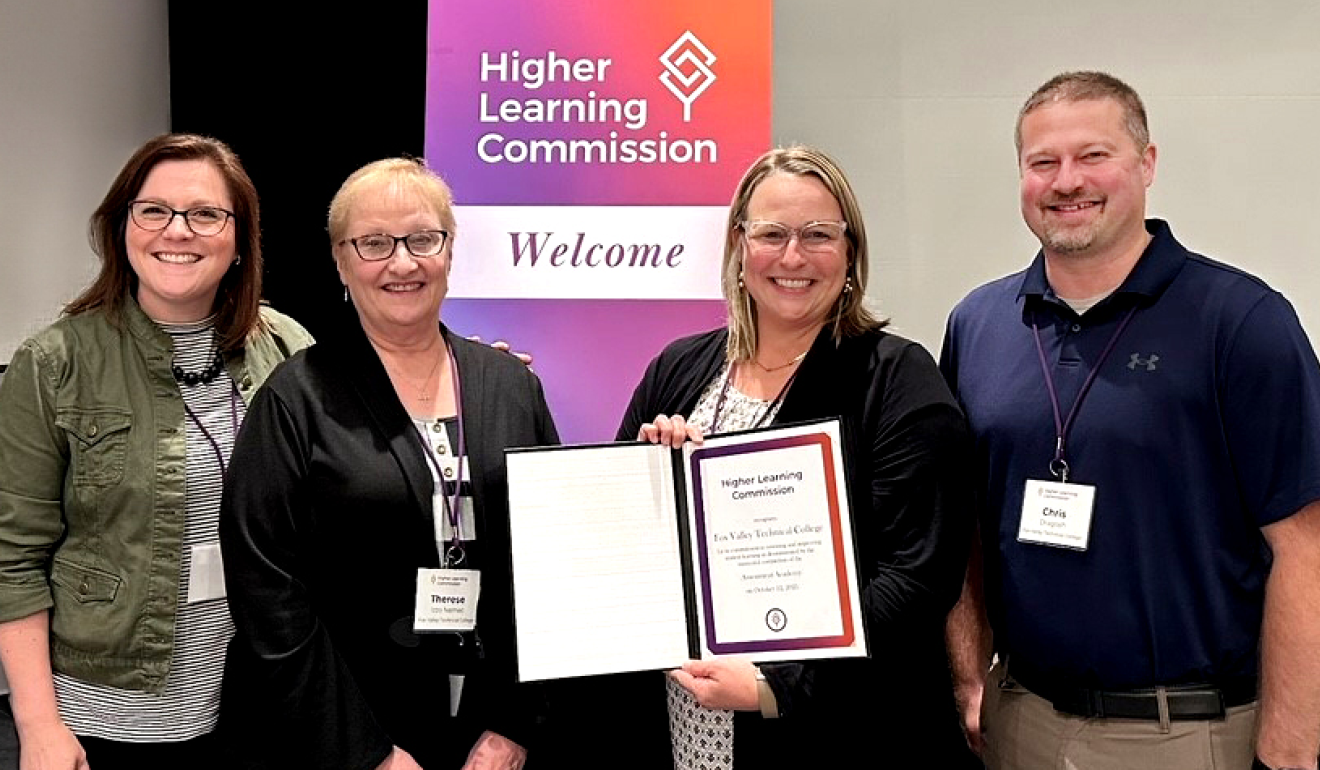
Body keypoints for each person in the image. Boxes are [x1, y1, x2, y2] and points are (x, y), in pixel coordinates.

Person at [942, 71, 1320, 770]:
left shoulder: (1241, 322)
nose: (1066, 181)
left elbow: (1307, 546)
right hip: (1018, 723)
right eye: (1042, 162)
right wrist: (970, 676)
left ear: (1146, 164)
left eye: (1094, 156)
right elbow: (961, 522)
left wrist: (1293, 747)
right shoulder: (979, 324)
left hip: (1188, 733)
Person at [603, 145, 978, 768]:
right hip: (686, 720)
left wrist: (777, 685)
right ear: (739, 246)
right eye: (772, 233)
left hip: (840, 727)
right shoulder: (678, 369)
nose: (793, 257)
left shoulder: (897, 379)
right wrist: (649, 472)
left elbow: (918, 577)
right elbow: (621, 543)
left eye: (818, 235)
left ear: (851, 252)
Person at [219, 158, 559, 770]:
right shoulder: (295, 400)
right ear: (341, 261)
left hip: (490, 737)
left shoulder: (512, 389)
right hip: (349, 739)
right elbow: (268, 595)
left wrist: (513, 723)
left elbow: (549, 567)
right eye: (374, 243)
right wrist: (366, 752)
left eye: (422, 239)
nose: (402, 263)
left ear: (449, 251)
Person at [0, 134, 314, 768]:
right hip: (105, 720)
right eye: (154, 210)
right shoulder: (54, 363)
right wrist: (38, 727)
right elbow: (12, 560)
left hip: (257, 702)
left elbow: (360, 449)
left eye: (205, 214)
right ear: (124, 226)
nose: (178, 231)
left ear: (237, 239)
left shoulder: (286, 347)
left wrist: (454, 374)